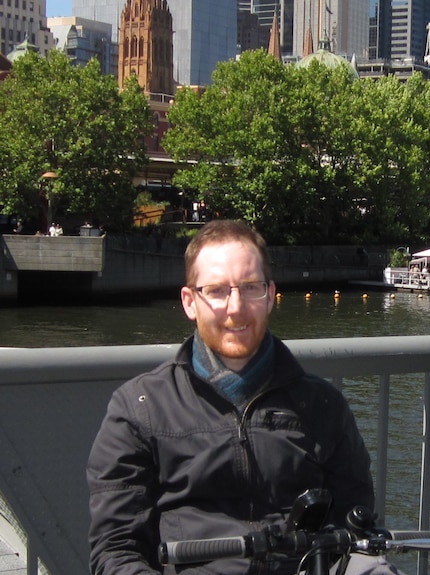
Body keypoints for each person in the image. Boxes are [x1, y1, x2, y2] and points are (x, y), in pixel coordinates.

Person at [87, 219, 398, 575]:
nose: (236, 307)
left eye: (250, 287)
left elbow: (356, 529)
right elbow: (116, 550)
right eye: (217, 290)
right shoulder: (139, 409)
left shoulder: (323, 405)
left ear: (269, 296)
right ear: (190, 302)